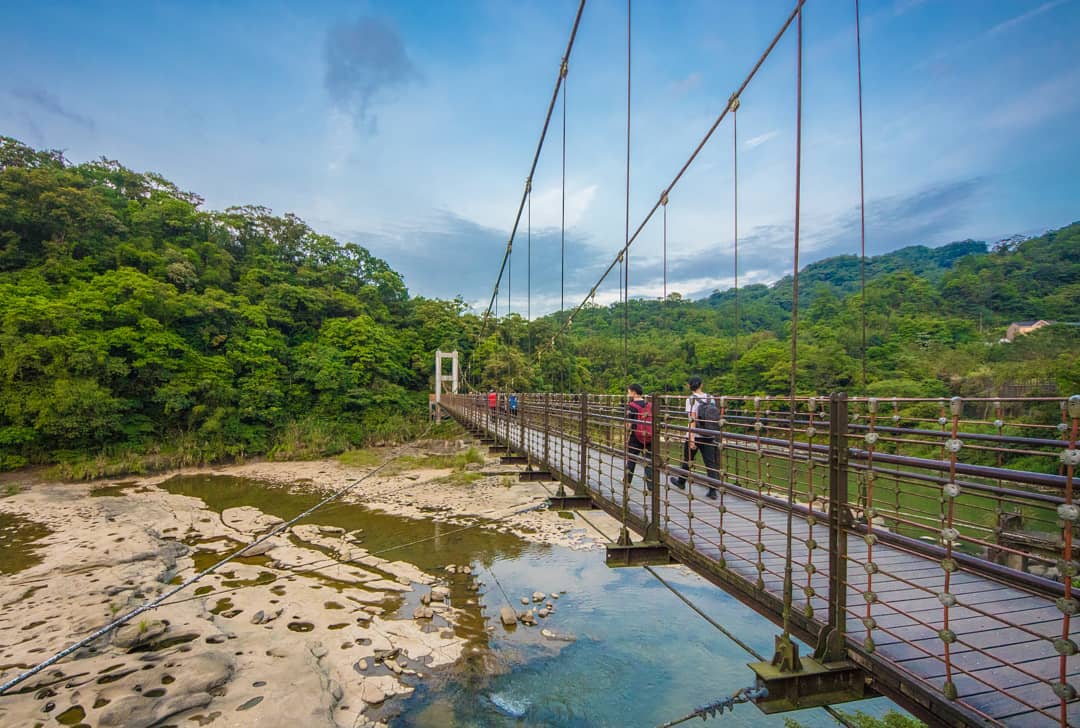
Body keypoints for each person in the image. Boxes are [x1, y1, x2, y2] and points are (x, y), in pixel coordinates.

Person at [669, 376, 719, 499]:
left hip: (696, 434)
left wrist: (691, 439)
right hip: (709, 434)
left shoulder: (691, 400)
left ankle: (681, 482)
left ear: (689, 386)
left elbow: (692, 419)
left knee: (688, 459)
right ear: (701, 385)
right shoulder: (711, 398)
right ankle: (713, 491)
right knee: (710, 463)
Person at [624, 383, 654, 491]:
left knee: (631, 459)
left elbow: (629, 425)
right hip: (649, 436)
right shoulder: (649, 404)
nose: (628, 394)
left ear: (633, 392)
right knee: (648, 461)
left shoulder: (631, 406)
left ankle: (627, 481)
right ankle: (651, 486)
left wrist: (627, 436)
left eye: (629, 391)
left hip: (636, 436)